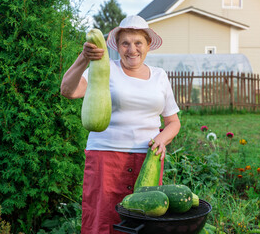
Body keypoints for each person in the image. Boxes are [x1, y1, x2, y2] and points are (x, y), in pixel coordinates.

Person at [60, 15, 181, 234]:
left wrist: (162, 139)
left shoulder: (160, 76)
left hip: (148, 160)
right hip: (106, 158)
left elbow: (173, 122)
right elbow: (69, 91)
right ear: (117, 46)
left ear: (148, 45)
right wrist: (83, 58)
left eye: (138, 43)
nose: (132, 49)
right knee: (103, 219)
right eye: (125, 43)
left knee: (143, 222)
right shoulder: (105, 69)